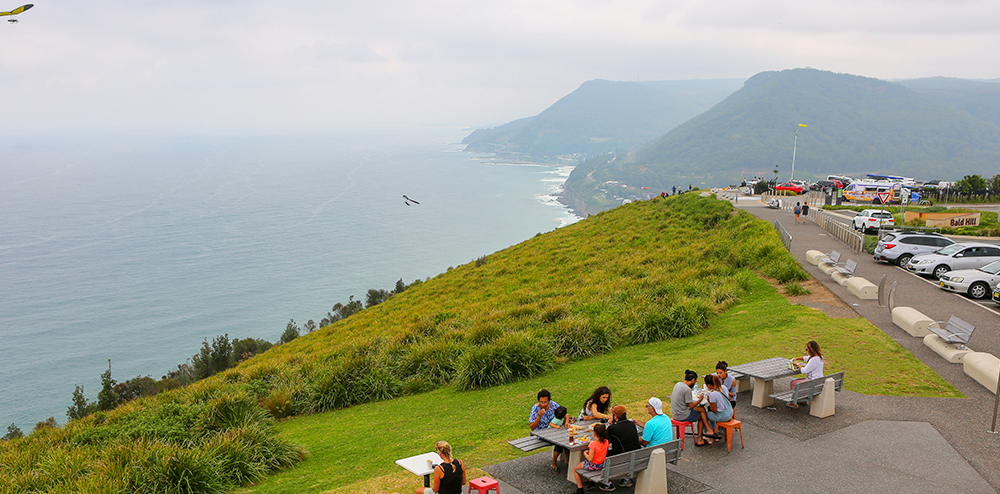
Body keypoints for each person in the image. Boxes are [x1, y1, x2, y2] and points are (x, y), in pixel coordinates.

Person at [606, 405, 641, 488]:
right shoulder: (631, 424)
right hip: (636, 456)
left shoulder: (613, 428)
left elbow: (604, 439)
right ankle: (627, 479)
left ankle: (607, 483)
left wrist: (610, 426)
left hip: (621, 458)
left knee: (602, 452)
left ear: (615, 416)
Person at [694, 374, 732, 447]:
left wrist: (709, 400)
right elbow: (729, 399)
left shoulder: (713, 394)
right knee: (708, 414)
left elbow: (713, 410)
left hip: (723, 416)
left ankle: (708, 434)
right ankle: (713, 430)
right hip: (729, 412)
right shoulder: (723, 387)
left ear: (708, 385)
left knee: (703, 415)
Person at [573, 423, 611, 493]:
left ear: (594, 433)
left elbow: (590, 459)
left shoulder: (593, 444)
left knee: (575, 469)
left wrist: (585, 453)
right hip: (602, 464)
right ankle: (590, 482)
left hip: (593, 465)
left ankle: (580, 488)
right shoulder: (606, 441)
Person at [788, 341, 825, 408]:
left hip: (812, 382)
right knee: (798, 382)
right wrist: (797, 358)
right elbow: (807, 358)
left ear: (810, 350)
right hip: (819, 381)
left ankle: (794, 401)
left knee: (794, 383)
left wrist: (797, 363)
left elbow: (804, 370)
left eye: (806, 349)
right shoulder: (820, 357)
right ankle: (802, 400)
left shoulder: (813, 360)